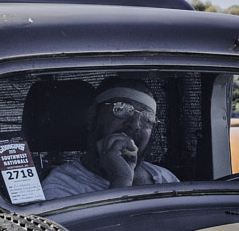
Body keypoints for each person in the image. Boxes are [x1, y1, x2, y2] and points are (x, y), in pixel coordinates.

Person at [41, 83, 179, 199]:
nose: (136, 124)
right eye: (121, 109)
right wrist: (121, 179)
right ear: (92, 116)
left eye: (147, 118)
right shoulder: (60, 187)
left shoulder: (165, 179)